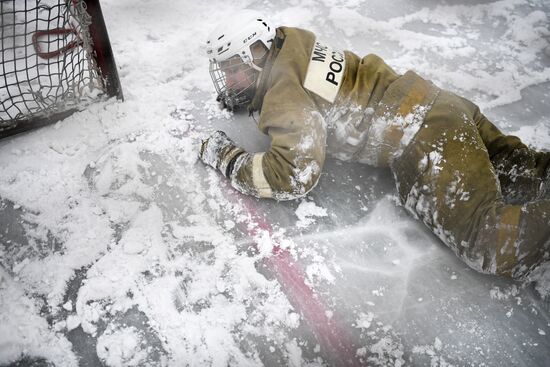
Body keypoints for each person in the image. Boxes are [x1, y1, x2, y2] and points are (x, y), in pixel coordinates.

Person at [199, 10, 550, 280]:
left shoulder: (285, 96)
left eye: (233, 69)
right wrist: (249, 92)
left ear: (256, 55)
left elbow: (292, 175)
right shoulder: (291, 43)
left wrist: (228, 158)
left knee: (483, 240)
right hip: (438, 103)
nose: (227, 79)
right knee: (525, 170)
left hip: (420, 133)